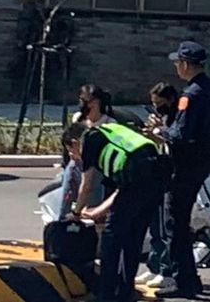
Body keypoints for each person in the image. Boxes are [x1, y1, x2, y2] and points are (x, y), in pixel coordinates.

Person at [148, 41, 210, 299]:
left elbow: (180, 134)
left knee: (175, 223)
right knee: (180, 221)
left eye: (177, 63)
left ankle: (183, 280)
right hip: (204, 161)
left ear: (184, 64)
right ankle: (189, 278)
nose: (176, 68)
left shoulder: (189, 95)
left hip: (185, 164)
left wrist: (160, 132)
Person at [63, 122, 167, 302]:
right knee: (133, 238)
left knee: (111, 240)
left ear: (75, 142)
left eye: (70, 151)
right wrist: (97, 212)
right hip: (155, 178)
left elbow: (86, 186)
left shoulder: (90, 141)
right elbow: (121, 190)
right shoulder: (110, 133)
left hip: (136, 181)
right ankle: (126, 292)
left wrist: (76, 213)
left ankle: (107, 294)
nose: (73, 157)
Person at [134, 82, 178, 288]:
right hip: (155, 174)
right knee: (154, 226)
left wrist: (158, 133)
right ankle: (153, 266)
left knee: (163, 227)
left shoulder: (177, 118)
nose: (157, 107)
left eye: (159, 103)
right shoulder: (163, 118)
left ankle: (165, 268)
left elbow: (171, 142)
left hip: (168, 176)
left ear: (169, 100)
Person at [60, 85, 116, 218]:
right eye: (81, 100)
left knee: (91, 196)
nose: (82, 105)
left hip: (97, 167)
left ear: (96, 103)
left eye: (86, 101)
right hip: (77, 164)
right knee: (68, 192)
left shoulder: (109, 123)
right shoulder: (78, 118)